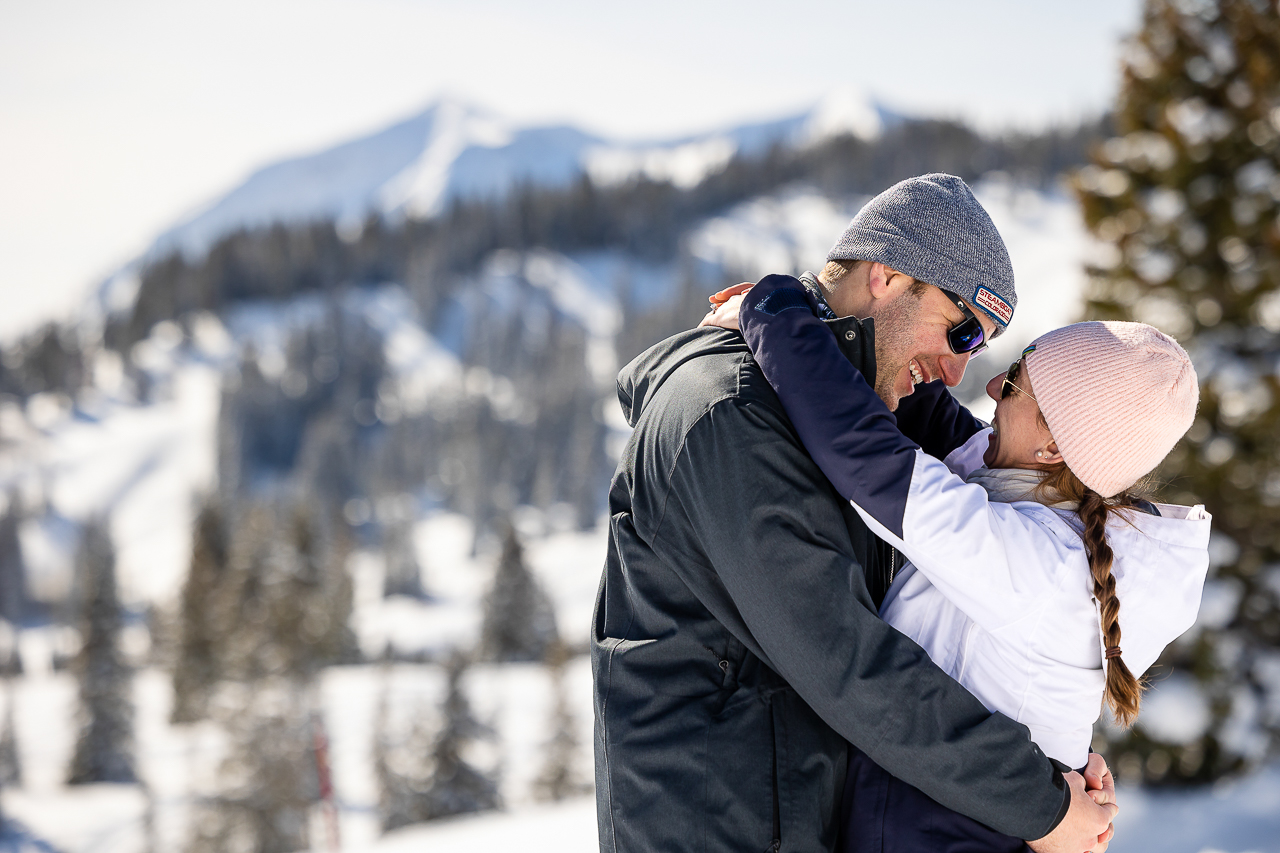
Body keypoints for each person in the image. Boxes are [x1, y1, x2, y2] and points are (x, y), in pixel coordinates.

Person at [592, 173, 1117, 853]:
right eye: (960, 333)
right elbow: (851, 664)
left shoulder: (836, 400)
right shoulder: (730, 416)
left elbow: (989, 487)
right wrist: (1042, 804)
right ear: (889, 278)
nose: (960, 370)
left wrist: (1063, 757)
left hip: (790, 817)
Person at [704, 275, 1210, 851]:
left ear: (1052, 447)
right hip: (928, 804)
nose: (993, 385)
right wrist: (831, 315)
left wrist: (774, 308)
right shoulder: (1036, 489)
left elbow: (867, 457)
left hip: (947, 828)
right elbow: (926, 412)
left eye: (1016, 383)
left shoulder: (1045, 568)